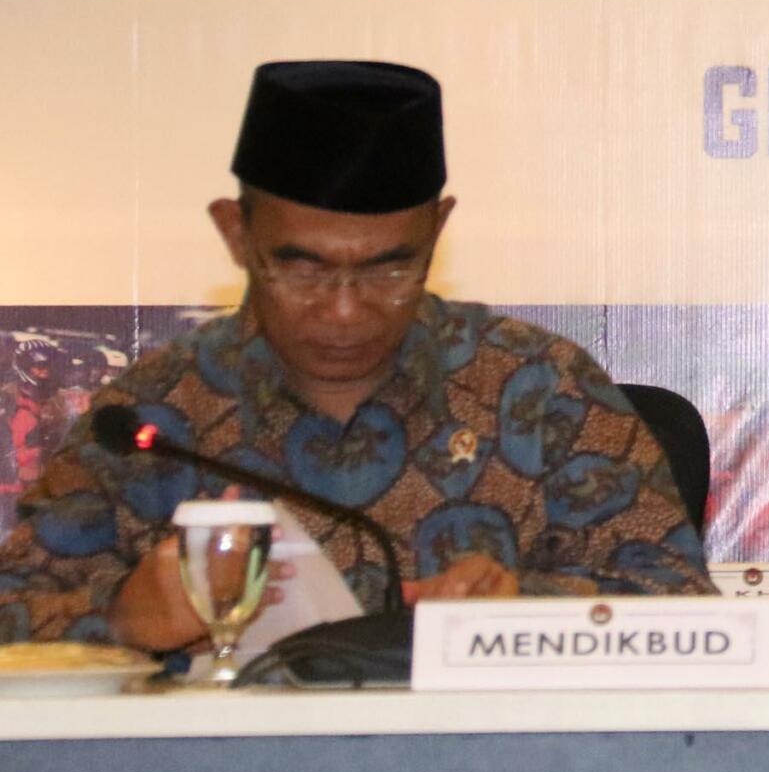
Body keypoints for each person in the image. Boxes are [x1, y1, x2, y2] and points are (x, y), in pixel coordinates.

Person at [0, 61, 711, 650]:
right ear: (236, 234)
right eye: (302, 268)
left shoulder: (536, 389)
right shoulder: (151, 418)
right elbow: (15, 610)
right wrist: (123, 621)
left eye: (389, 268)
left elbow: (684, 609)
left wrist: (525, 612)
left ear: (438, 230)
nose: (345, 310)